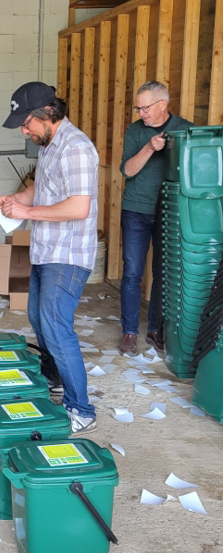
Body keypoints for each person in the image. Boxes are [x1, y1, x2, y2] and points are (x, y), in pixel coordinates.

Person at [0, 81, 99, 435]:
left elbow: (77, 207)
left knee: (56, 327)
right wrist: (16, 199)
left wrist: (31, 211)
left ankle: (81, 409)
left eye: (26, 123)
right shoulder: (49, 146)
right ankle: (54, 376)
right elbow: (40, 187)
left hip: (68, 254)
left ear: (45, 115)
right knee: (37, 317)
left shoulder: (76, 148)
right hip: (46, 249)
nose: (24, 130)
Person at [119, 81, 192, 355]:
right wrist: (149, 147)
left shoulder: (185, 129)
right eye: (138, 107)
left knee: (163, 273)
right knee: (132, 272)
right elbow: (127, 170)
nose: (141, 112)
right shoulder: (134, 131)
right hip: (136, 210)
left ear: (163, 104)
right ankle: (129, 332)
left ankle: (154, 330)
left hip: (170, 212)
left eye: (145, 107)